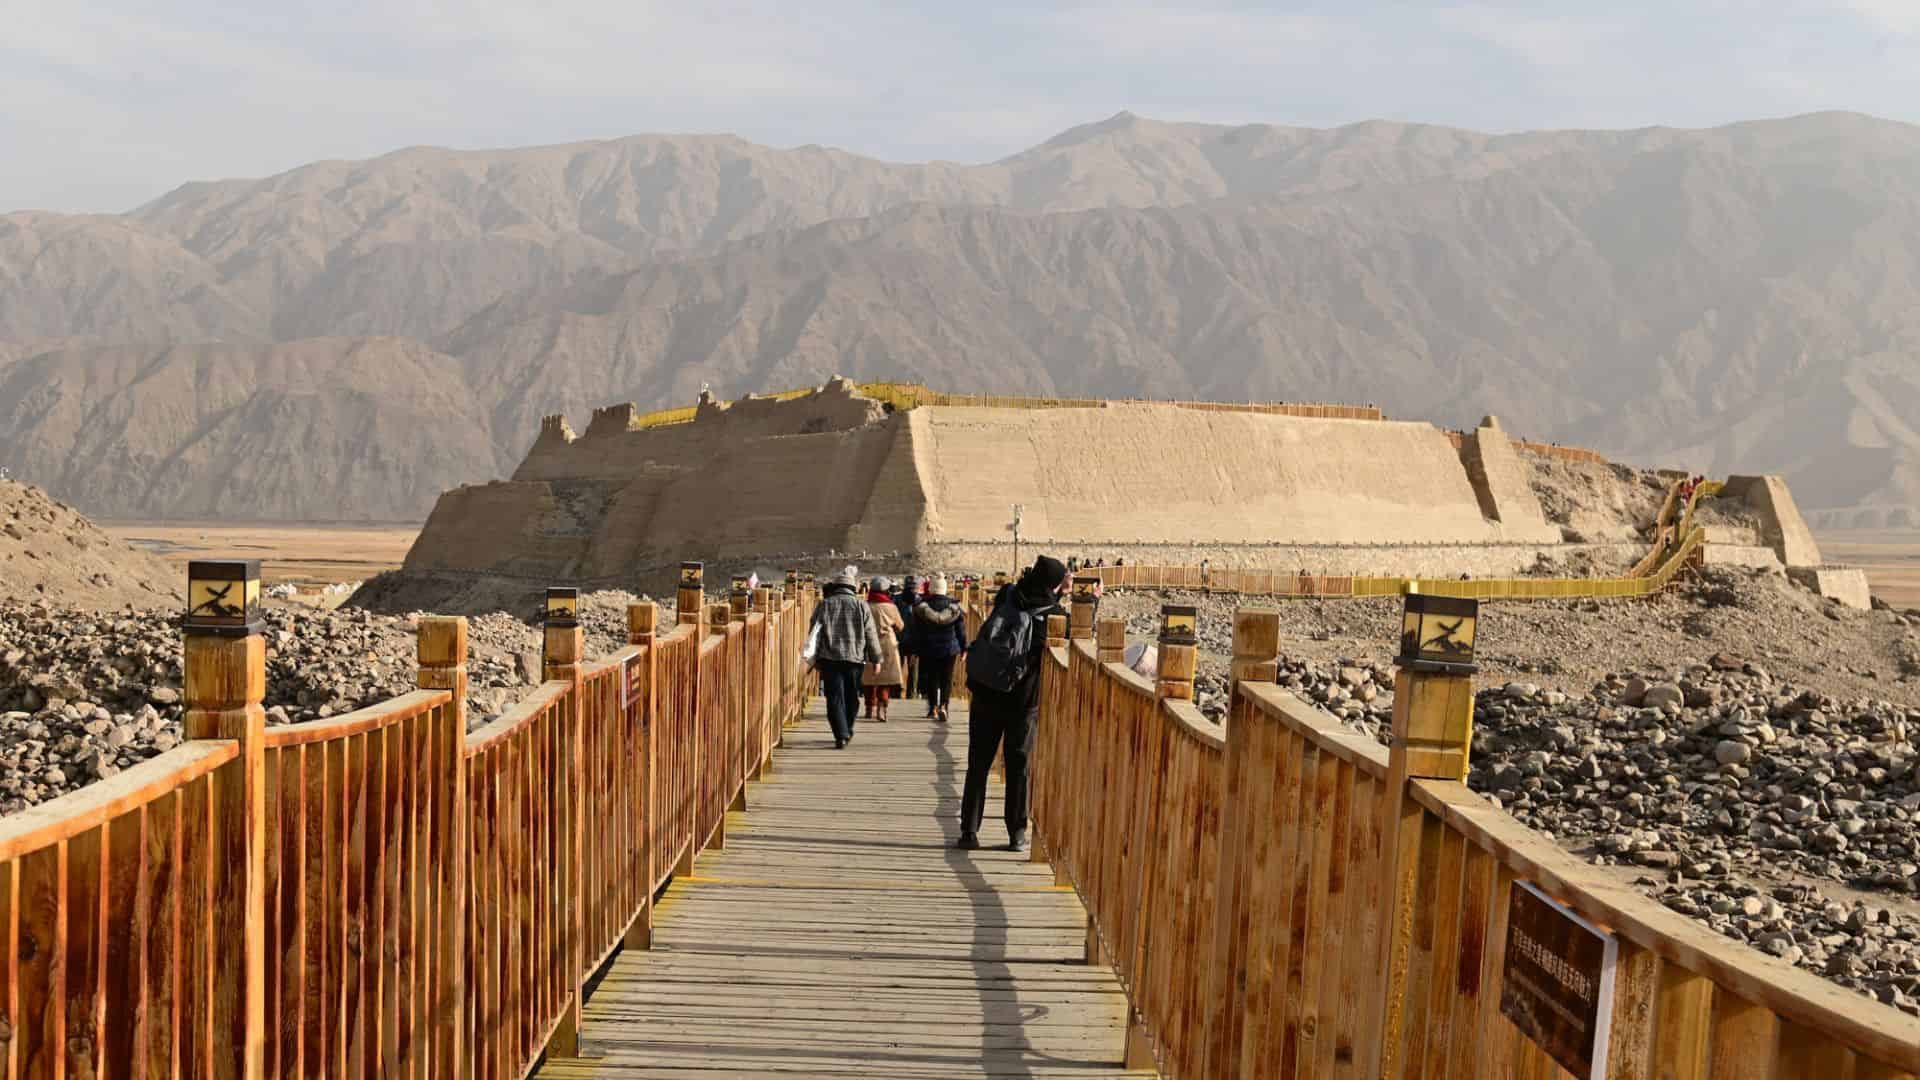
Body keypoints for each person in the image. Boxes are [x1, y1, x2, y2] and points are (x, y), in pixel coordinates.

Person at [957, 555, 1068, 853]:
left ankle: (969, 829)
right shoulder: (1055, 615)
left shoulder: (1008, 594)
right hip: (1023, 700)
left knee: (978, 762)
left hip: (985, 690)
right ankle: (1017, 832)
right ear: (1055, 584)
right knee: (1018, 765)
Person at [810, 568, 882, 749]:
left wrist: (814, 657)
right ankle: (847, 728)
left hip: (830, 658)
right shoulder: (861, 606)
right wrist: (877, 659)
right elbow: (870, 634)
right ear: (852, 588)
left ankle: (840, 734)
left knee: (834, 697)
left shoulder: (825, 604)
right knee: (852, 696)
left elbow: (815, 633)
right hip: (854, 658)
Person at [913, 574, 967, 723]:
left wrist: (916, 649)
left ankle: (933, 708)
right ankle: (945, 705)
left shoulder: (922, 607)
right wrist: (964, 648)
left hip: (929, 647)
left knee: (932, 678)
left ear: (931, 589)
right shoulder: (954, 608)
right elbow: (960, 630)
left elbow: (918, 631)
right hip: (949, 647)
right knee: (947, 678)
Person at [863, 577, 907, 722]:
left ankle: (869, 706)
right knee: (885, 679)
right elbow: (900, 626)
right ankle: (882, 706)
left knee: (869, 678)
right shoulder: (891, 607)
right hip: (887, 643)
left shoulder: (865, 605)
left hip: (868, 644)